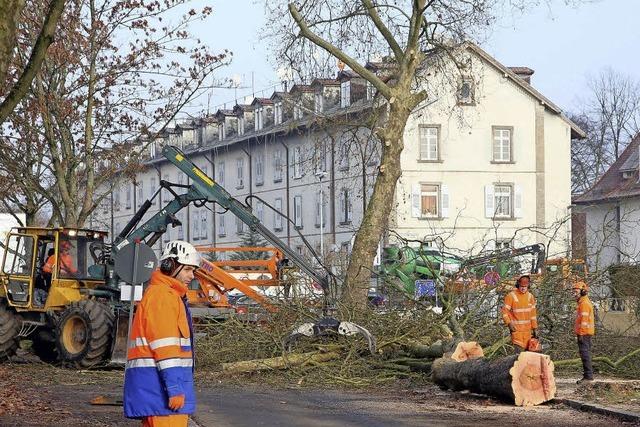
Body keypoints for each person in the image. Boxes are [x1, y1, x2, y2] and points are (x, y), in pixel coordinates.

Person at [124, 240, 200, 427]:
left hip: (156, 391)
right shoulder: (163, 297)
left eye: (193, 270)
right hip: (162, 395)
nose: (192, 276)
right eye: (188, 269)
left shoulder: (166, 295)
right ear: (170, 266)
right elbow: (165, 348)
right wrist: (175, 389)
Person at [501, 274, 538, 353]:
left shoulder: (530, 297)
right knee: (519, 357)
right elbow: (504, 312)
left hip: (528, 333)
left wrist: (535, 328)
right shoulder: (511, 296)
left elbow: (533, 315)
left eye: (525, 286)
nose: (523, 288)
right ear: (518, 285)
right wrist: (509, 323)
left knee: (529, 358)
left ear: (528, 286)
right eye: (521, 286)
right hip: (517, 331)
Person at [573, 281, 595, 384]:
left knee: (585, 354)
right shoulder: (582, 302)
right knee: (584, 354)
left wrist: (581, 333)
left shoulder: (584, 304)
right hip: (584, 333)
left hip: (584, 333)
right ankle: (587, 376)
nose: (574, 293)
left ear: (582, 291)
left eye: (576, 291)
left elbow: (584, 321)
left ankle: (588, 377)